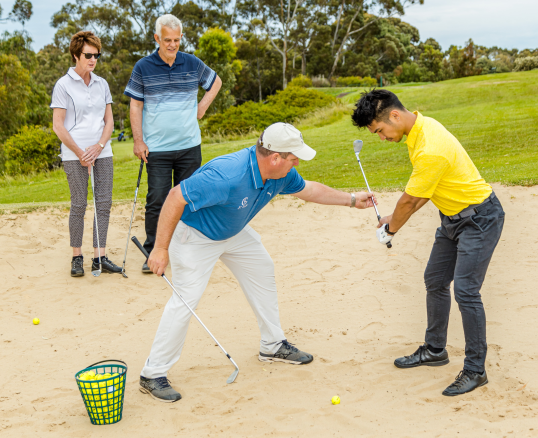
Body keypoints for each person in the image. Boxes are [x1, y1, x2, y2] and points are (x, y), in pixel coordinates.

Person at [140, 123, 376, 402]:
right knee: (186, 300)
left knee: (262, 268)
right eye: (293, 158)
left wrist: (351, 200)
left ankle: (272, 345)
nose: (296, 162)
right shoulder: (227, 174)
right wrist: (160, 248)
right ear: (275, 157)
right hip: (196, 236)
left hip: (234, 231)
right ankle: (152, 374)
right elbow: (175, 196)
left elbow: (309, 190)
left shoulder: (280, 173)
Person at [351, 89, 505, 396]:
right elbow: (421, 194)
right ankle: (435, 350)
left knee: (465, 290)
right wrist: (391, 221)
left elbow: (409, 202)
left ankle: (476, 370)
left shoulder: (429, 146)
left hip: (479, 220)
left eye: (379, 131)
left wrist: (390, 229)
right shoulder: (418, 131)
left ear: (394, 116)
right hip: (452, 218)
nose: (381, 138)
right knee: (434, 279)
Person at [123, 14, 222, 273]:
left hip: (189, 146)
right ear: (157, 38)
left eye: (177, 40)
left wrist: (201, 107)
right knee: (157, 199)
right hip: (156, 149)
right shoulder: (143, 67)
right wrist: (138, 141)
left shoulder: (191, 63)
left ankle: (185, 250)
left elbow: (216, 82)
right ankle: (153, 251)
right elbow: (135, 104)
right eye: (167, 40)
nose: (173, 45)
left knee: (188, 198)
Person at [51, 31, 122, 277]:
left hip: (102, 152)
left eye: (96, 55)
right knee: (79, 205)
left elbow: (109, 121)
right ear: (75, 55)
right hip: (74, 154)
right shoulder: (63, 84)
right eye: (88, 55)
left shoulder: (102, 84)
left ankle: (99, 257)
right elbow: (58, 125)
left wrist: (100, 146)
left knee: (103, 204)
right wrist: (81, 152)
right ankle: (77, 257)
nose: (93, 60)